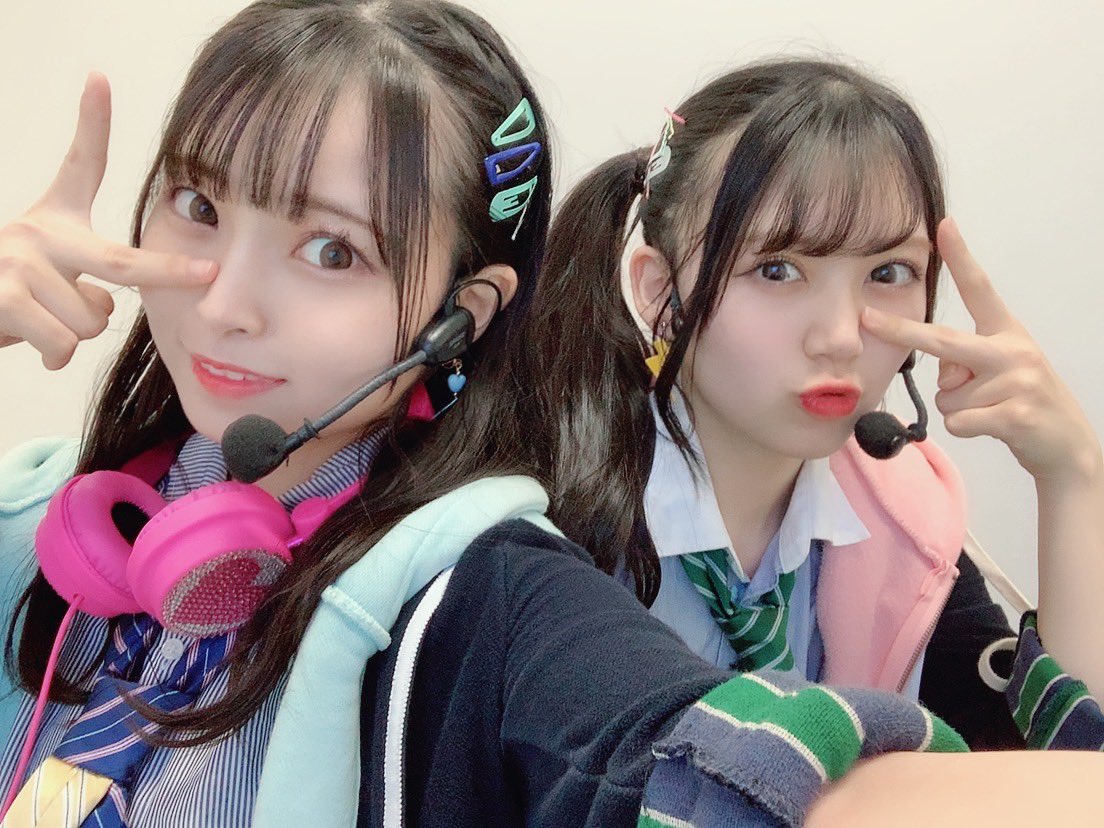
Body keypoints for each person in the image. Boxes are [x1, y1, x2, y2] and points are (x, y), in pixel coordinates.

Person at [0, 10, 1101, 825]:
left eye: (331, 249)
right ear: (657, 288)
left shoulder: (481, 585)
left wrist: (1076, 479)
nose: (225, 302)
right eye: (197, 204)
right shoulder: (44, 525)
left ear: (463, 312)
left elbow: (728, 764)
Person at [527, 57, 1104, 749]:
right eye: (778, 270)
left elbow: (1060, 774)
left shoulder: (901, 520)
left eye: (889, 272)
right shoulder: (541, 519)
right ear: (660, 292)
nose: (840, 338)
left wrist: (1073, 478)